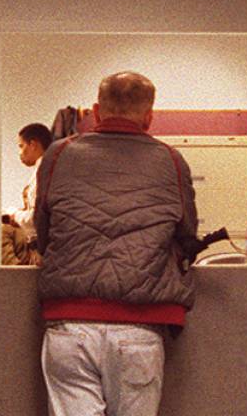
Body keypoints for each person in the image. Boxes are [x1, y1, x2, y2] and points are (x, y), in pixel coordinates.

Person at [34, 71, 198, 416]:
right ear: (149, 116)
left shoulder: (58, 155)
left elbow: (44, 230)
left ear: (96, 110)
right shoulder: (171, 160)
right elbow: (186, 233)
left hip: (70, 324)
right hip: (140, 328)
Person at [1, 122, 52, 265]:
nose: (20, 152)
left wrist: (14, 215)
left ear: (33, 144)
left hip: (42, 250)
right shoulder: (48, 169)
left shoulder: (43, 173)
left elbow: (36, 218)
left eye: (21, 146)